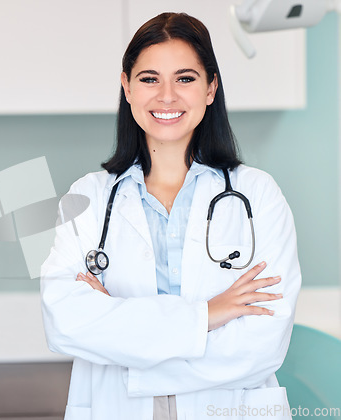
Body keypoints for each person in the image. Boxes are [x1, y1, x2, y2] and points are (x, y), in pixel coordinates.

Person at [41, 12, 301, 420]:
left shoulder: (258, 195)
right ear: (126, 87)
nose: (167, 96)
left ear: (211, 88)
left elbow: (262, 346)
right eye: (149, 79)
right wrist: (209, 315)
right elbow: (64, 322)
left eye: (185, 78)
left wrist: (126, 340)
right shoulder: (88, 198)